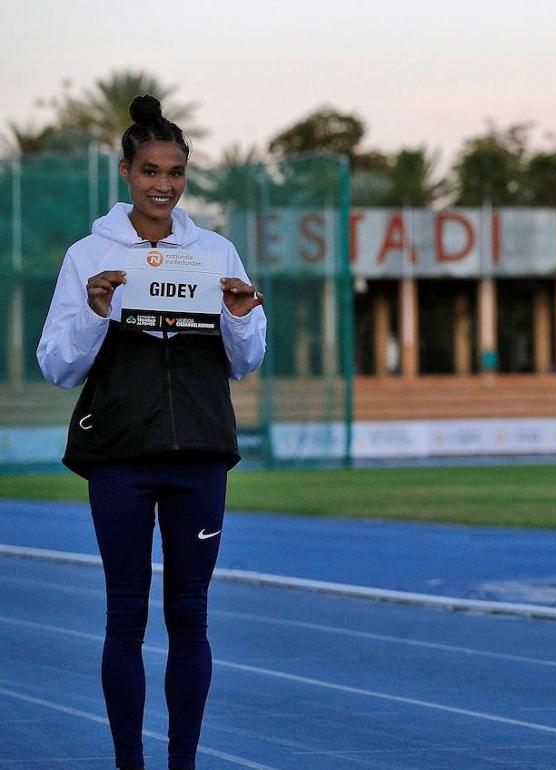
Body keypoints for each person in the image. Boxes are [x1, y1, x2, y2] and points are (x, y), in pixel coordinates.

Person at [36, 95, 266, 770]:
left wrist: (242, 315)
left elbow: (246, 361)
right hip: (119, 458)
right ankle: (129, 763)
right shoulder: (88, 255)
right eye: (150, 171)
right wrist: (96, 311)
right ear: (125, 173)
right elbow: (57, 365)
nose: (163, 185)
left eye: (175, 172)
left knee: (190, 616)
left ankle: (183, 763)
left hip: (199, 452)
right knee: (125, 616)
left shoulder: (216, 250)